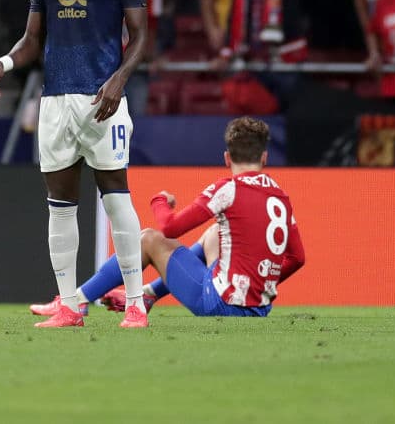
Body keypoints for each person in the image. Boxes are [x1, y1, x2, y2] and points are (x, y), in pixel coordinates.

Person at [0, 0, 150, 330]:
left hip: (102, 100)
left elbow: (140, 36)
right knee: (60, 203)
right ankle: (70, 303)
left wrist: (118, 80)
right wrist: (4, 62)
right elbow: (32, 40)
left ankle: (135, 302)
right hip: (55, 100)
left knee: (116, 197)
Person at [51, 117, 306, 318]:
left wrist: (159, 201)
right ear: (264, 157)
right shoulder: (281, 197)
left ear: (227, 158)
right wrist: (257, 287)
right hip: (259, 308)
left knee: (149, 239)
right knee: (214, 233)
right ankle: (149, 294)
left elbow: (170, 228)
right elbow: (297, 258)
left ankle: (78, 300)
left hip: (220, 303)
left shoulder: (228, 189)